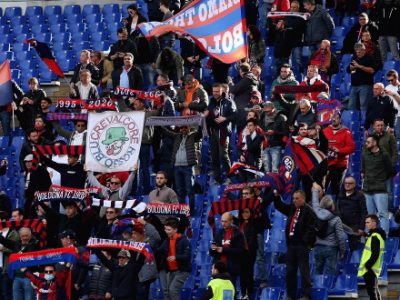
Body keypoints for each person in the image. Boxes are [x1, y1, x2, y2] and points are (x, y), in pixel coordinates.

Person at [160, 125, 202, 212]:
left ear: (189, 128)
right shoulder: (176, 136)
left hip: (188, 167)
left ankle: (192, 211)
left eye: (185, 127)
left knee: (190, 190)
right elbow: (166, 132)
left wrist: (201, 122)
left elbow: (200, 133)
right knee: (179, 191)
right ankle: (183, 211)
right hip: (177, 167)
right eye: (181, 128)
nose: (183, 129)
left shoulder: (193, 136)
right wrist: (157, 124)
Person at [311, 183, 346, 275]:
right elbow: (340, 236)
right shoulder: (336, 218)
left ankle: (317, 288)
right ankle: (328, 288)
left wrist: (314, 191)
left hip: (317, 247)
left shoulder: (316, 213)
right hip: (331, 248)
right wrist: (342, 250)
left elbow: (315, 203)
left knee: (317, 272)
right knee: (331, 273)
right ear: (332, 205)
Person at [205, 83, 236, 184]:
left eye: (217, 91)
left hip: (223, 132)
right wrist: (205, 115)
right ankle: (217, 179)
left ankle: (230, 177)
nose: (215, 93)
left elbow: (235, 115)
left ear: (222, 91)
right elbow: (209, 115)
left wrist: (225, 118)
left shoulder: (229, 102)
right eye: (214, 91)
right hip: (213, 131)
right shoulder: (211, 102)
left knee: (223, 155)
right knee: (214, 156)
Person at [362, 135, 393, 234]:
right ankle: (370, 236)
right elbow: (363, 169)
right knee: (370, 215)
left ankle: (384, 236)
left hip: (380, 189)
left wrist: (381, 178)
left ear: (375, 143)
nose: (366, 144)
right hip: (367, 189)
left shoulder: (384, 155)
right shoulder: (365, 154)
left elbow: (391, 170)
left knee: (383, 214)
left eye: (368, 142)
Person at [0, 227, 39, 300]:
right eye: (23, 236)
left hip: (29, 278)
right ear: (20, 236)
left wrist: (21, 254)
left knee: (29, 298)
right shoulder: (16, 244)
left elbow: (31, 251)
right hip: (16, 278)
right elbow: (4, 241)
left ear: (30, 236)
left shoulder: (35, 244)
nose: (24, 238)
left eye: (26, 236)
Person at [323, 111, 355, 196]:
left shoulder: (346, 132)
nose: (333, 119)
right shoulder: (325, 130)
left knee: (336, 188)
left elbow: (351, 148)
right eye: (332, 117)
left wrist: (339, 150)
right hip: (326, 164)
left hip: (339, 165)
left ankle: (336, 206)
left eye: (336, 117)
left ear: (340, 119)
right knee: (322, 186)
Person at [210, 212, 246, 289]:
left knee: (229, 292)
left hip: (231, 269)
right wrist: (213, 248)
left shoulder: (238, 233)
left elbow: (240, 251)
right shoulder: (219, 233)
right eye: (222, 221)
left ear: (231, 221)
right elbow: (212, 251)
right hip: (219, 269)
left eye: (226, 221)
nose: (223, 223)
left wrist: (223, 250)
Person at [158, 217, 192, 300]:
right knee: (168, 292)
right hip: (171, 271)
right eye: (165, 229)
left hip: (182, 270)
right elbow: (158, 251)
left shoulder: (184, 240)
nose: (166, 231)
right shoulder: (166, 241)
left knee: (173, 290)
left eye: (168, 230)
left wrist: (175, 257)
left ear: (175, 230)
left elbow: (187, 256)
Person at [357, 214, 386, 300]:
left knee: (372, 293)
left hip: (370, 268)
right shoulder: (375, 235)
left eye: (368, 222)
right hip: (373, 267)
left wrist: (367, 265)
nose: (366, 224)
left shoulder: (374, 236)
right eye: (366, 223)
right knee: (374, 291)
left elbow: (375, 253)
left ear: (374, 223)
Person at [336, 176, 368, 251]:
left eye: (350, 183)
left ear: (354, 185)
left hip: (355, 226)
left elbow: (364, 212)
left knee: (354, 248)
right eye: (345, 183)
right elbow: (337, 210)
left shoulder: (360, 196)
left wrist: (361, 228)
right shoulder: (341, 195)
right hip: (342, 225)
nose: (347, 185)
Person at [347, 43, 376, 119]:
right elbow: (348, 69)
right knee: (351, 105)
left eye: (359, 52)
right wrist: (351, 68)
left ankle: (365, 123)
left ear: (364, 50)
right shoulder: (354, 58)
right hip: (354, 85)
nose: (358, 53)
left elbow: (372, 70)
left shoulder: (369, 58)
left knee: (364, 105)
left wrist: (359, 66)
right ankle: (352, 122)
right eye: (356, 52)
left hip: (365, 85)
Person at [228, 63, 259, 130]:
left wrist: (230, 82)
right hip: (248, 107)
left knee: (241, 129)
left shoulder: (246, 79)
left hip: (242, 108)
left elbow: (233, 90)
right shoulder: (253, 78)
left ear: (241, 71)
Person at [261, 101, 288, 173]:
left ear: (273, 108)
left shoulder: (281, 118)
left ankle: (276, 184)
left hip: (276, 145)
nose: (267, 113)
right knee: (267, 169)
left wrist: (274, 133)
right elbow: (260, 129)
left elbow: (285, 132)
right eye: (265, 111)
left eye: (269, 111)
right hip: (266, 146)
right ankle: (268, 183)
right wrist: (263, 134)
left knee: (275, 169)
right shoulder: (263, 117)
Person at [238, 208, 258, 299]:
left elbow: (252, 241)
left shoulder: (253, 224)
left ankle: (249, 293)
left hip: (249, 253)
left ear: (250, 213)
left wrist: (245, 248)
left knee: (248, 272)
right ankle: (243, 293)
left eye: (247, 212)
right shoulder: (239, 224)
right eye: (243, 212)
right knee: (242, 273)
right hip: (241, 253)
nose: (245, 214)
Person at [384, 69, 400, 140]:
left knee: (398, 136)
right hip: (390, 115)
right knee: (388, 138)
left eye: (391, 80)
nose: (390, 82)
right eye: (388, 80)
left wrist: (394, 94)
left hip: (399, 115)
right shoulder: (387, 87)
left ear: (396, 77)